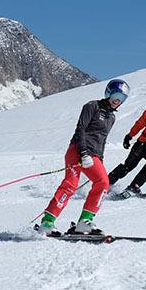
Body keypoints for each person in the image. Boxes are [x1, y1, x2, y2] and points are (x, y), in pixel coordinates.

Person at [34, 79, 128, 235]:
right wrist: (83, 153)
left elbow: (102, 140)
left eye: (122, 98)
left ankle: (85, 221)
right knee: (70, 185)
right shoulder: (92, 106)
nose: (118, 101)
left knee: (103, 183)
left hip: (94, 156)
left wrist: (100, 160)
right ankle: (47, 222)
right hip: (77, 150)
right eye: (116, 95)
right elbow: (80, 130)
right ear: (109, 93)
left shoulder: (111, 117)